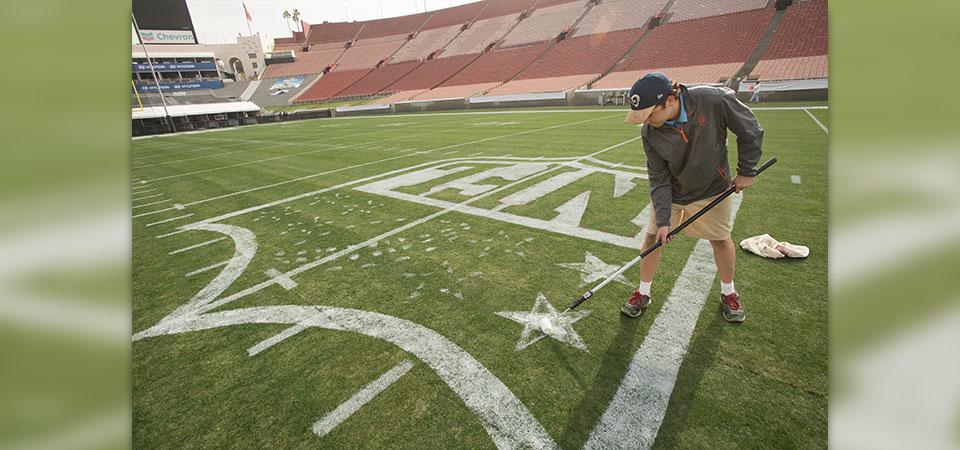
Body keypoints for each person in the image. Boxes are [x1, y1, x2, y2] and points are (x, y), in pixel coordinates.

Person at [621, 72, 763, 322]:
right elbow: (659, 178)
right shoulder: (649, 133)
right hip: (674, 190)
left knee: (720, 239)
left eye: (649, 114)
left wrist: (746, 171)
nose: (647, 122)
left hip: (712, 187)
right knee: (653, 235)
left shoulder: (713, 100)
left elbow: (750, 129)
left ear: (669, 100)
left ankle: (728, 293)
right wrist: (664, 220)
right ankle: (643, 292)